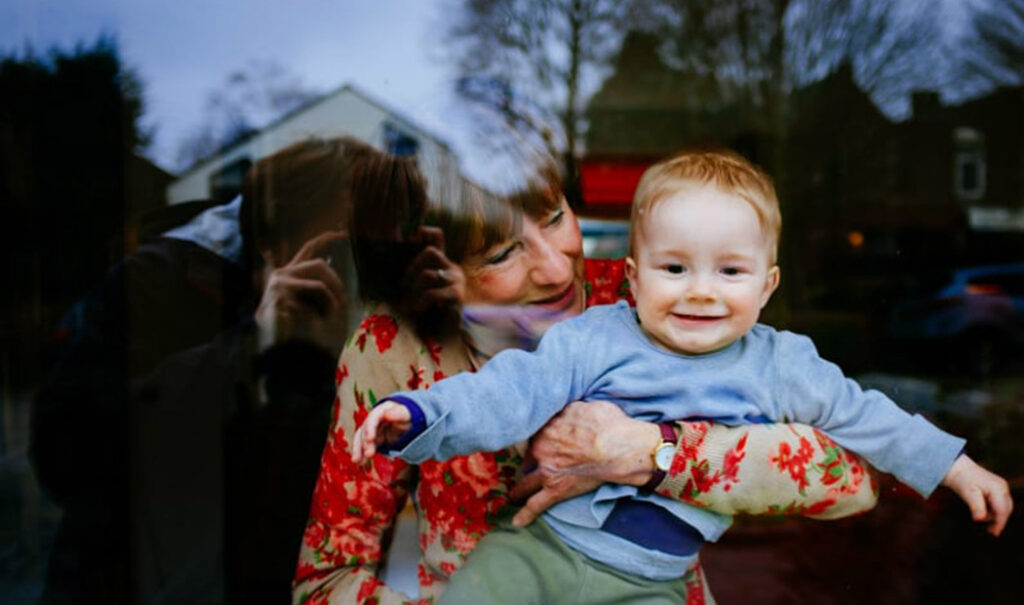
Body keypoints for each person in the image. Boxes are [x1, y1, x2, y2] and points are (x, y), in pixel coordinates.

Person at [355, 150, 1014, 604]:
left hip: (653, 583)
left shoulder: (780, 363)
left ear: (768, 286)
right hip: (541, 551)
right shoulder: (596, 334)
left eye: (729, 271)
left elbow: (866, 422)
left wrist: (955, 467)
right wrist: (418, 416)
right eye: (674, 269)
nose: (701, 291)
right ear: (634, 278)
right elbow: (508, 391)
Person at [31, 137, 386, 603]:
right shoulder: (157, 288)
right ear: (269, 245)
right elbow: (64, 454)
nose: (358, 273)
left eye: (377, 252)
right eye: (343, 250)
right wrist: (248, 348)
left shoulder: (365, 322)